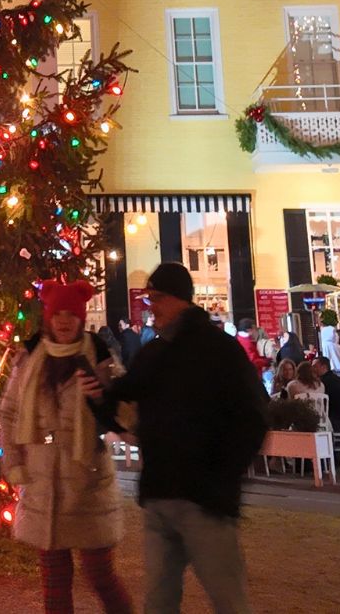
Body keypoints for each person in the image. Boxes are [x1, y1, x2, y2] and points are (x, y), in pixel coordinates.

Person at [87, 261, 263, 614]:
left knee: (228, 599)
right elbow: (125, 400)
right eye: (149, 298)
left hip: (205, 500)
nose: (151, 306)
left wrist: (223, 478)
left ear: (181, 299)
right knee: (158, 600)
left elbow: (253, 417)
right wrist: (97, 396)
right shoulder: (154, 352)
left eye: (158, 298)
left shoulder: (219, 350)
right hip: (159, 496)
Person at [0, 279, 133, 614]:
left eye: (70, 314)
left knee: (100, 573)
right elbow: (11, 412)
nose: (63, 321)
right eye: (57, 313)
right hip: (43, 480)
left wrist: (102, 395)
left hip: (87, 479)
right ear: (47, 316)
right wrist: (15, 461)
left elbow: (126, 415)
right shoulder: (31, 356)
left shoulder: (99, 355)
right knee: (54, 580)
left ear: (81, 317)